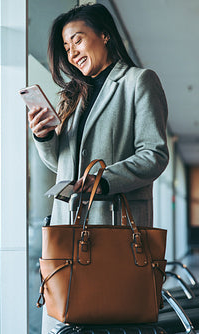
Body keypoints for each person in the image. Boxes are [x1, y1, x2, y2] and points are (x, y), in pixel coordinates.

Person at [27, 4, 169, 332]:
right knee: (62, 318)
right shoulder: (76, 95)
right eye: (66, 47)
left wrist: (102, 182)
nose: (72, 52)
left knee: (109, 314)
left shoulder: (138, 82)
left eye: (77, 40)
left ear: (104, 35)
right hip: (68, 227)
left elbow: (155, 154)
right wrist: (44, 134)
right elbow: (61, 165)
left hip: (113, 229)